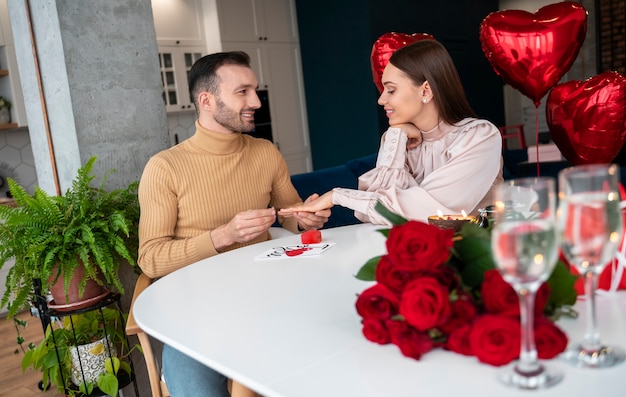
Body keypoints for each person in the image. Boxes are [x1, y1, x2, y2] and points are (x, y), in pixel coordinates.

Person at [137, 51, 330, 396]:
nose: (256, 100)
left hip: (269, 299)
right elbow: (150, 258)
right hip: (195, 314)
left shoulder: (265, 152)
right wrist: (222, 236)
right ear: (206, 100)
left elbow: (291, 214)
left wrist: (306, 218)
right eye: (242, 92)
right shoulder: (165, 167)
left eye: (254, 90)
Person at [279, 39, 503, 224]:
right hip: (417, 256)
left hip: (478, 261)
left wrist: (338, 196)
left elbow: (431, 214)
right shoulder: (399, 139)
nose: (381, 99)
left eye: (391, 90)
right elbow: (375, 214)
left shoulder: (479, 138)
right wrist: (396, 135)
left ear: (426, 89)